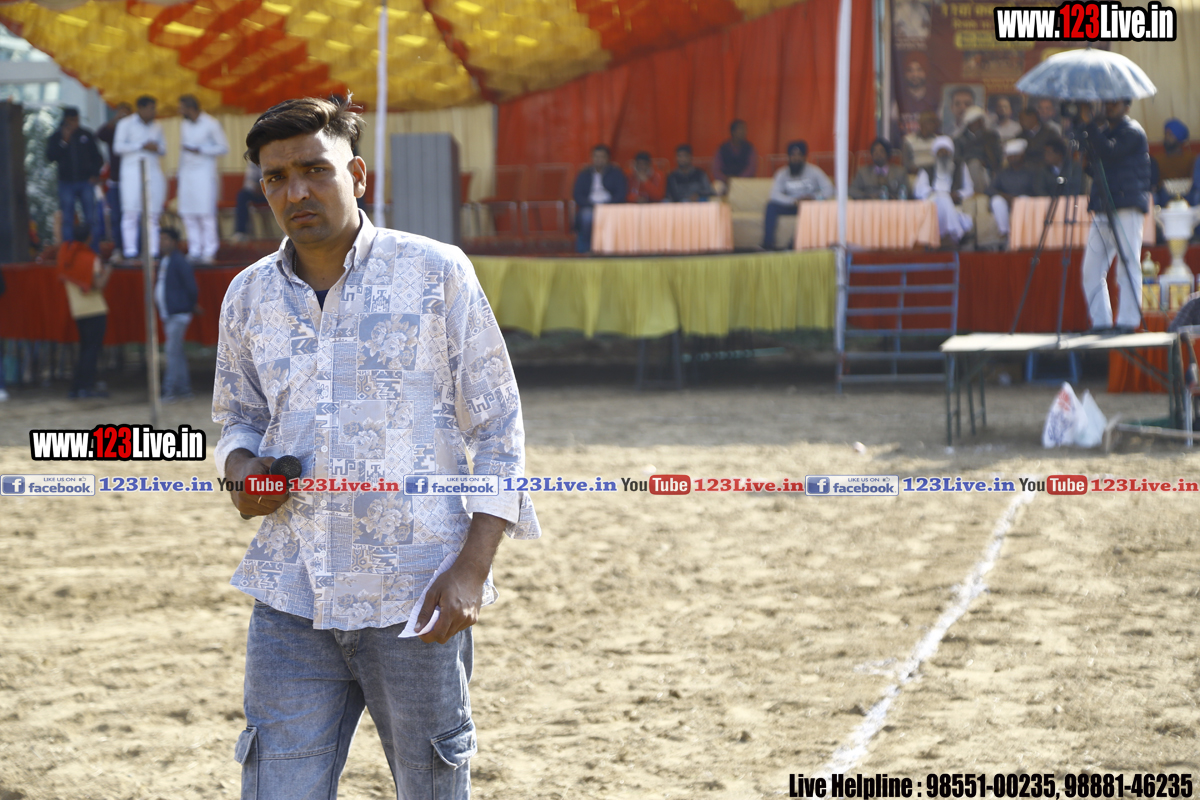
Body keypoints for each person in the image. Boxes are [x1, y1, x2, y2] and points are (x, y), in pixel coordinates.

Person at [213, 96, 540, 799]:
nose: (296, 192)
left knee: (431, 787)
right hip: (292, 592)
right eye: (276, 178)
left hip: (418, 596)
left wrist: (471, 570)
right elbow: (237, 417)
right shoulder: (247, 296)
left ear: (357, 174)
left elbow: (498, 427)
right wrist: (242, 471)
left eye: (315, 170)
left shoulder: (436, 272)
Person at [1079, 99, 1151, 333]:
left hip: (1127, 205)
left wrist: (1090, 125)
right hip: (1104, 206)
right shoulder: (1103, 133)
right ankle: (1100, 322)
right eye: (1107, 103)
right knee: (1091, 268)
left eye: (1115, 103)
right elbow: (1097, 168)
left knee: (1127, 264)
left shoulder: (1132, 131)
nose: (1109, 107)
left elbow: (1110, 152)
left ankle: (1128, 321)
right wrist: (1085, 140)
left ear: (1127, 107)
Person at [56, 227, 112, 399]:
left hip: (78, 309)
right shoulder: (90, 258)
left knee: (85, 349)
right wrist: (110, 269)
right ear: (89, 238)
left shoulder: (66, 254)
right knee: (91, 350)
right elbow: (98, 284)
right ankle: (86, 387)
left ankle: (77, 387)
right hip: (95, 308)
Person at [113, 95, 167, 262]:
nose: (154, 112)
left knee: (152, 214)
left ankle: (152, 252)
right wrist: (141, 146)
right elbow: (117, 147)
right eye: (151, 108)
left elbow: (163, 149)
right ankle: (130, 252)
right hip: (131, 174)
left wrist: (155, 148)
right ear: (141, 108)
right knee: (131, 213)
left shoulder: (157, 126)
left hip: (153, 172)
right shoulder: (125, 124)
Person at [178, 95, 229, 264]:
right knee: (188, 214)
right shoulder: (184, 124)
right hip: (186, 174)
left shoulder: (211, 123)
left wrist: (200, 149)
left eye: (182, 108)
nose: (179, 111)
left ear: (190, 108)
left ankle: (209, 251)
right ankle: (195, 250)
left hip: (204, 174)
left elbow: (223, 147)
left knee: (205, 214)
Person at [46, 106, 104, 249]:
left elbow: (98, 157)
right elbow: (51, 156)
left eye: (77, 120)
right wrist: (64, 141)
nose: (75, 123)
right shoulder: (56, 136)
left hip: (86, 182)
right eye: (72, 120)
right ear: (66, 120)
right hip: (66, 182)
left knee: (91, 218)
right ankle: (69, 251)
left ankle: (93, 250)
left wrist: (94, 174)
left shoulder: (86, 135)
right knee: (67, 218)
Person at [762, 140, 833, 250]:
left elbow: (829, 189)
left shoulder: (815, 171)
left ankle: (793, 245)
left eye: (799, 155)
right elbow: (774, 194)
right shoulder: (782, 173)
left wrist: (814, 198)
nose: (796, 158)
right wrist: (793, 201)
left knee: (812, 209)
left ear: (804, 157)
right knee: (771, 206)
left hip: (809, 206)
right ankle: (767, 245)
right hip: (792, 205)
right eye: (793, 155)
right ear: (788, 157)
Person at [155, 227, 198, 401]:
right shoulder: (164, 260)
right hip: (170, 313)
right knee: (177, 352)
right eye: (160, 239)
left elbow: (192, 288)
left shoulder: (179, 261)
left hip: (178, 313)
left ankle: (169, 389)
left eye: (165, 239)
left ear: (174, 242)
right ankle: (183, 388)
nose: (162, 242)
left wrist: (186, 306)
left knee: (171, 352)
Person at [914, 135, 974, 247]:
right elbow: (919, 190)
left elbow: (969, 189)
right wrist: (935, 193)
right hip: (933, 204)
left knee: (945, 198)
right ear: (935, 154)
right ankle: (957, 233)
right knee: (943, 197)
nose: (944, 154)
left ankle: (946, 238)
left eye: (946, 151)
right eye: (940, 151)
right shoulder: (926, 169)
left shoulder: (960, 167)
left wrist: (958, 195)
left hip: (953, 205)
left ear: (951, 153)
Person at [571, 144, 627, 253]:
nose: (598, 159)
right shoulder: (584, 173)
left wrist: (607, 205)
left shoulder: (616, 173)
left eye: (602, 157)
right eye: (596, 156)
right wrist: (592, 205)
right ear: (592, 158)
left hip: (611, 206)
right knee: (586, 217)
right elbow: (577, 194)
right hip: (590, 206)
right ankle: (587, 249)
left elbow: (621, 193)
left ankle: (612, 250)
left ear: (608, 158)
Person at [96, 102, 133, 252]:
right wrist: (115, 120)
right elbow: (100, 135)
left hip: (132, 180)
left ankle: (134, 248)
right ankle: (118, 248)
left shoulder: (135, 131)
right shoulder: (113, 130)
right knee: (116, 216)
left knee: (132, 215)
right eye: (120, 112)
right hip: (116, 179)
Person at [987, 138, 1039, 241]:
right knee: (996, 201)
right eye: (1010, 155)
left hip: (1025, 202)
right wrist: (1005, 197)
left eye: (1015, 155)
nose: (1012, 158)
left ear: (1022, 155)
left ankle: (1020, 232)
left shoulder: (1032, 171)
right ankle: (1005, 232)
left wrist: (1017, 199)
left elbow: (1037, 191)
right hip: (1007, 202)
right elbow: (989, 190)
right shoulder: (1002, 172)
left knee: (1023, 200)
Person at [954, 105, 1002, 193]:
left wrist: (985, 162)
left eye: (981, 121)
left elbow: (997, 156)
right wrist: (973, 160)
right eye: (977, 121)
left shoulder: (991, 136)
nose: (980, 123)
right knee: (974, 164)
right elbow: (957, 160)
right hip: (967, 171)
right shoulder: (960, 140)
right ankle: (979, 194)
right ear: (969, 123)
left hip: (988, 169)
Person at [1152, 119, 1195, 206]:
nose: (1166, 138)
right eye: (1166, 134)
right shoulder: (1157, 159)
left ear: (1179, 139)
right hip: (1164, 194)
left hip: (1187, 192)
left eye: (1170, 135)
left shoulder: (1191, 158)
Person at [712, 119, 759, 190]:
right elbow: (716, 169)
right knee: (716, 188)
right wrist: (725, 179)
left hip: (744, 180)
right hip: (725, 181)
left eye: (745, 129)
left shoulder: (750, 148)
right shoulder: (722, 148)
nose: (744, 132)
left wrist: (737, 180)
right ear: (733, 132)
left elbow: (751, 168)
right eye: (741, 129)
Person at [233, 161, 267, 241]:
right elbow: (249, 182)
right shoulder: (254, 161)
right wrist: (255, 187)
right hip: (258, 192)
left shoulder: (276, 159)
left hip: (271, 191)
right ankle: (241, 232)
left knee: (283, 194)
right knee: (242, 195)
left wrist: (265, 188)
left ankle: (286, 232)